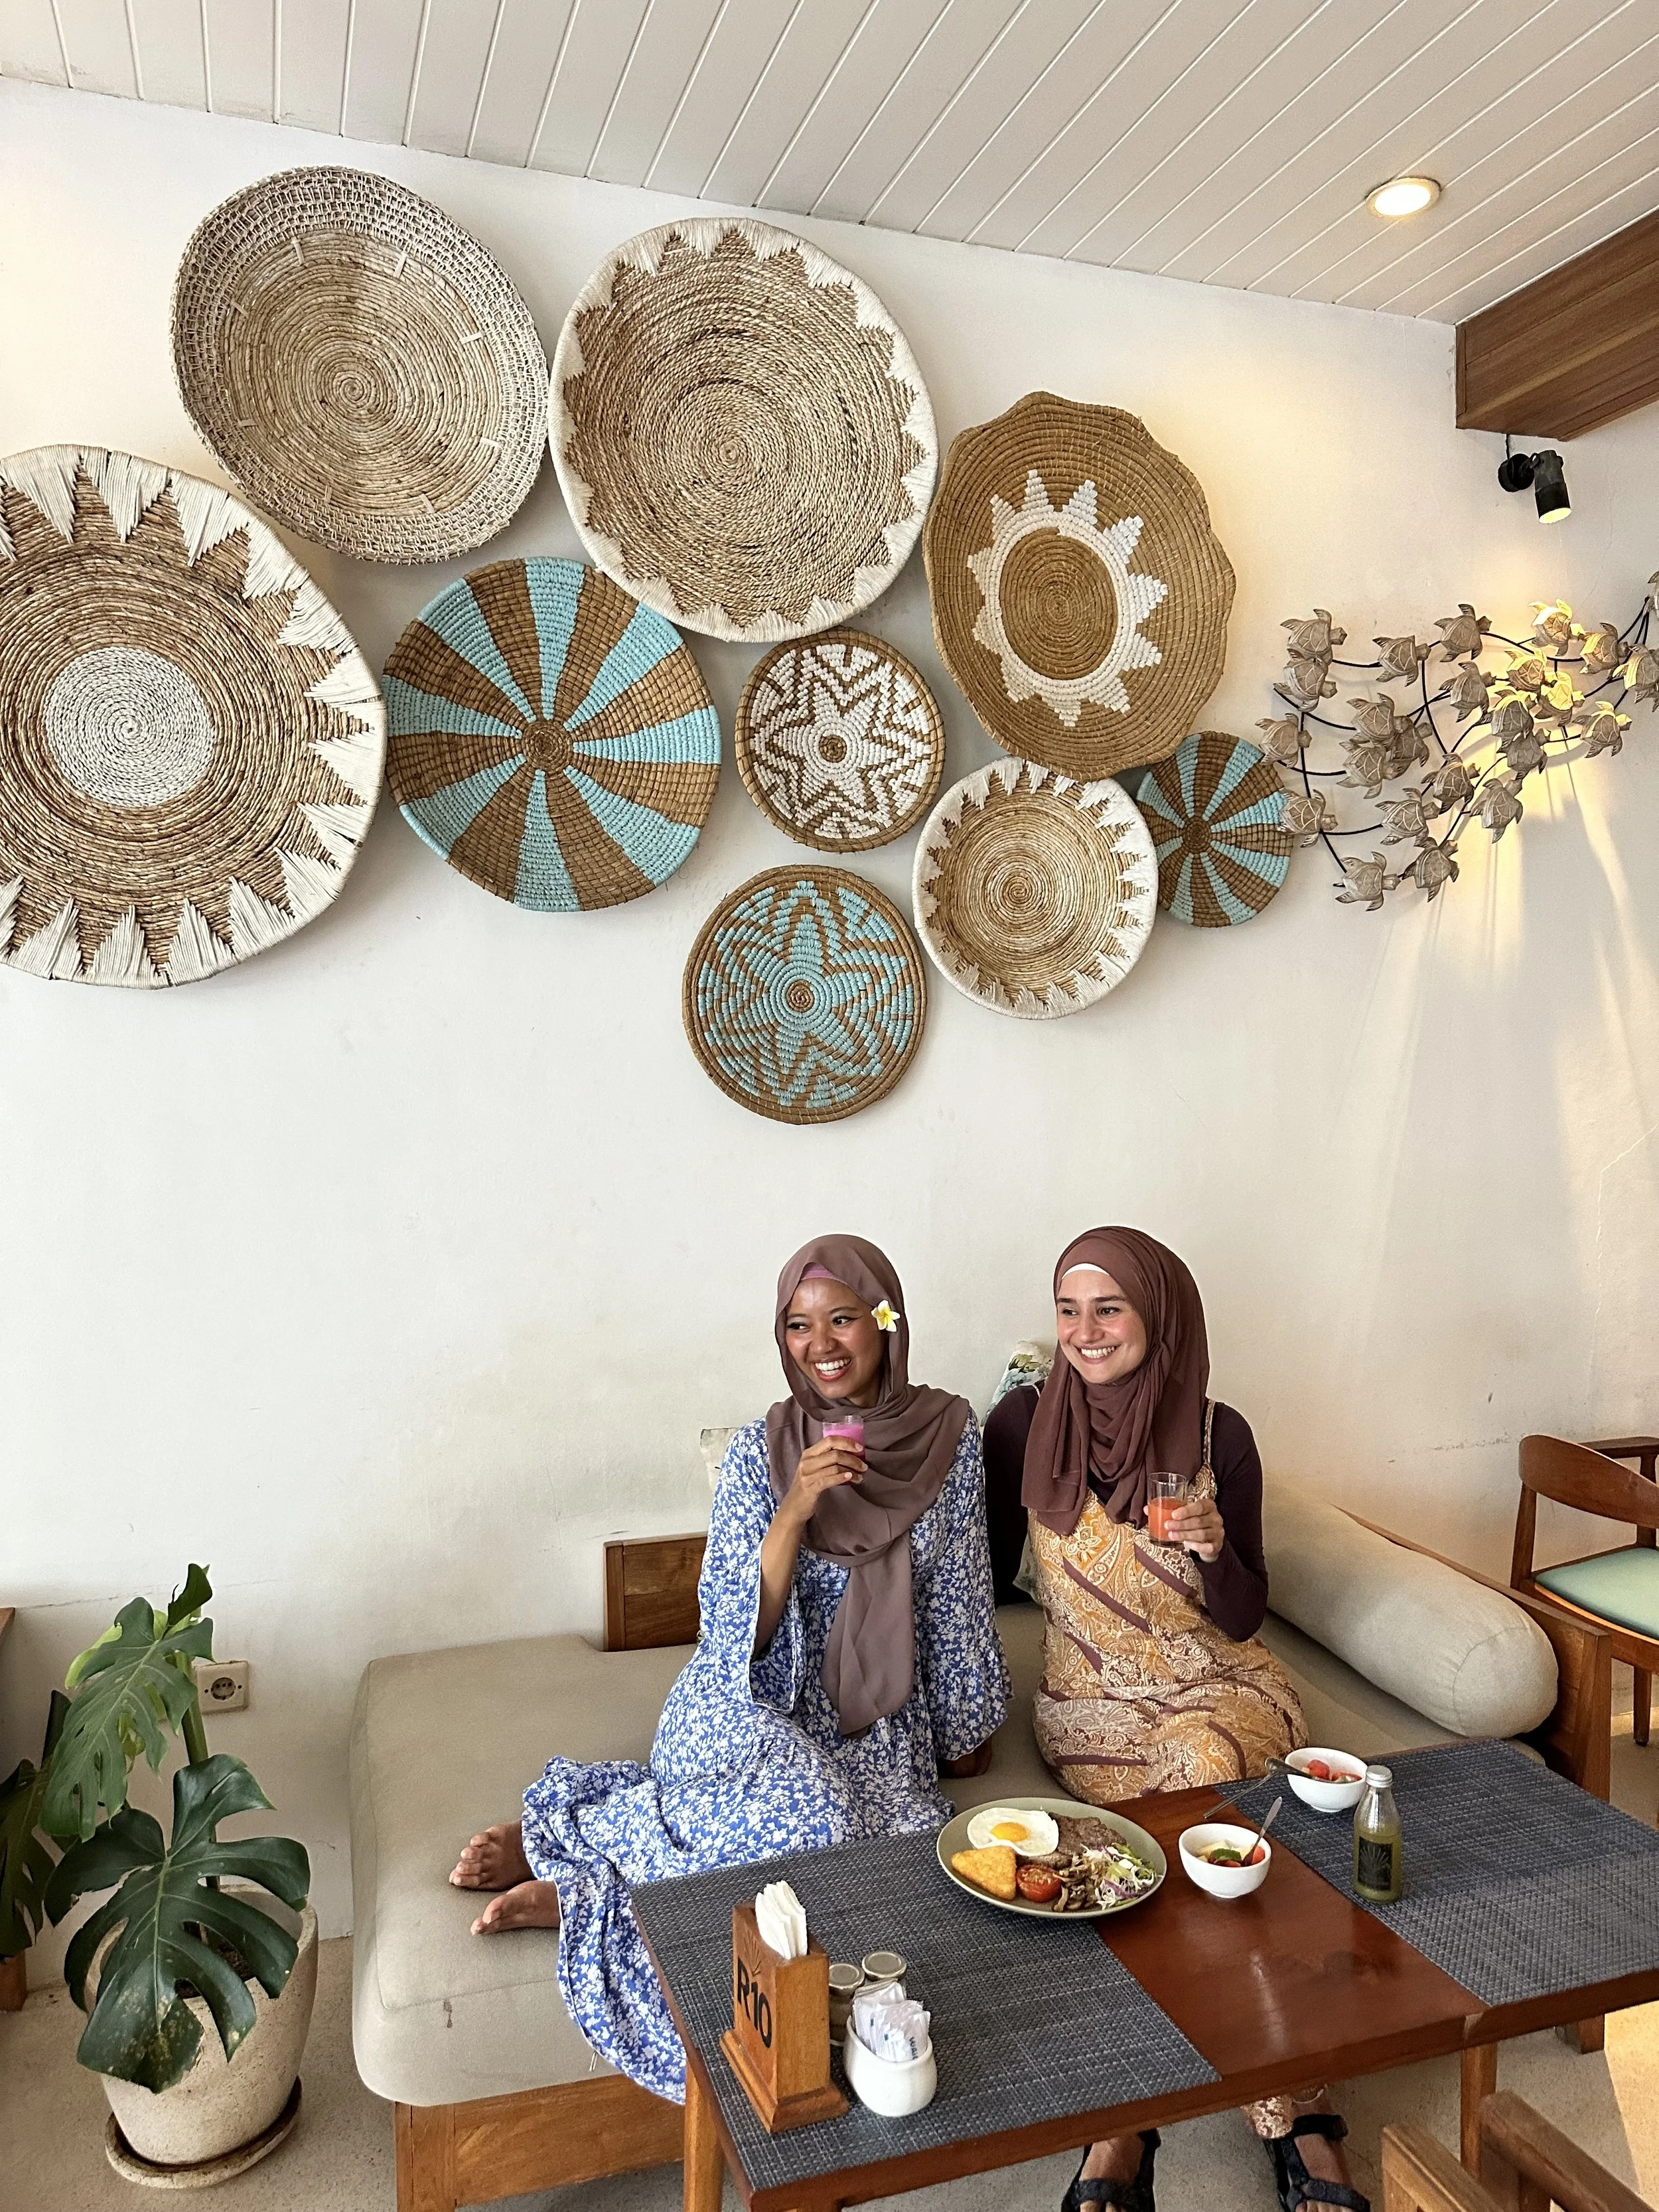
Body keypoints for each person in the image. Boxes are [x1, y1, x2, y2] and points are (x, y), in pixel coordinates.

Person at [450, 1234, 1009, 2102]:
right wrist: (794, 1512)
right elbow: (726, 1631)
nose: (819, 1344)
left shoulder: (951, 1436)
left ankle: (610, 1854)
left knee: (889, 1857)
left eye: (843, 1318)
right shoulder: (763, 1450)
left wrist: (966, 1722)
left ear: (887, 1321)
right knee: (808, 1805)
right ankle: (588, 1870)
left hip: (878, 1723)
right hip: (755, 1697)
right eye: (796, 1325)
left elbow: (960, 1591)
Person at [983, 1227, 1366, 2212]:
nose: (1085, 1331)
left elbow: (1245, 1613)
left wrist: (1213, 1550)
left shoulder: (1218, 1435)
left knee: (1199, 1788)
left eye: (1108, 1307)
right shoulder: (1021, 1425)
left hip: (1221, 1679)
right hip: (1091, 1696)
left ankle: (1143, 2117)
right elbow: (977, 1576)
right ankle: (1285, 2112)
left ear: (1160, 1313)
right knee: (1179, 1831)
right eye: (1068, 1309)